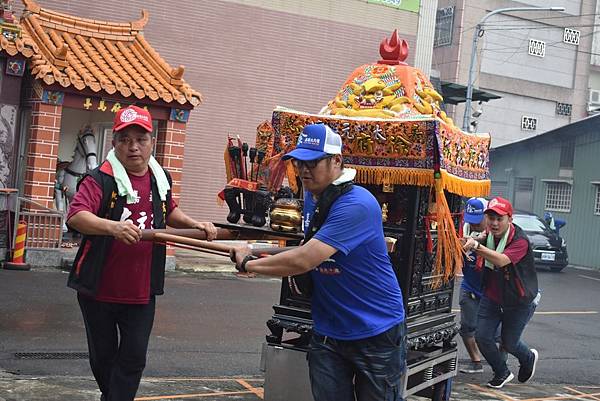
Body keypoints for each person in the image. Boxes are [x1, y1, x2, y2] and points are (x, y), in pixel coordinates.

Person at [230, 123, 407, 401]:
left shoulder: (357, 204)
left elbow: (305, 259)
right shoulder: (316, 198)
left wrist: (249, 264)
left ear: (336, 160)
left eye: (313, 162)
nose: (303, 170)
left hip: (375, 329)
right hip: (329, 329)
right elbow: (306, 247)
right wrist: (255, 249)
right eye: (300, 162)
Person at [66, 105, 217, 401]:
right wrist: (113, 227)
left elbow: (167, 209)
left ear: (152, 141)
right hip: (98, 288)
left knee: (134, 357)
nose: (133, 147)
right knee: (103, 358)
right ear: (114, 143)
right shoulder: (101, 179)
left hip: (141, 289)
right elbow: (76, 216)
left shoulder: (160, 178)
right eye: (125, 140)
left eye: (141, 139)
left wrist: (194, 224)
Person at [462, 197, 539, 389]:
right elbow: (482, 236)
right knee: (482, 336)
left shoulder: (520, 240)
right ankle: (502, 372)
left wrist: (477, 247)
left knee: (509, 343)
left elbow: (502, 260)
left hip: (518, 298)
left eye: (499, 219)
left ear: (509, 219)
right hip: (492, 294)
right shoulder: (489, 232)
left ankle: (528, 357)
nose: (494, 223)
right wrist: (474, 239)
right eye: (491, 218)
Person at [458, 197, 488, 374]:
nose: (475, 225)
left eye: (479, 221)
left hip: (490, 289)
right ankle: (476, 362)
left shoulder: (496, 232)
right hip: (470, 285)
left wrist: (479, 241)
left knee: (497, 332)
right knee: (467, 328)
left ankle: (501, 363)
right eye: (472, 220)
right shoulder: (464, 227)